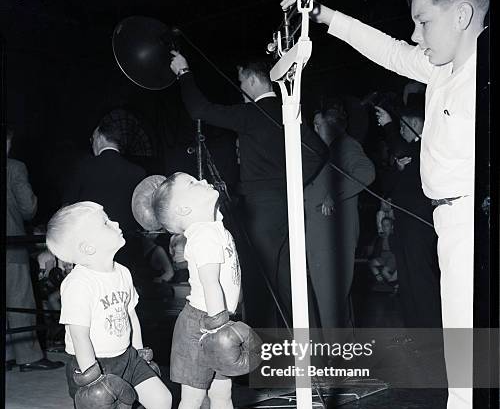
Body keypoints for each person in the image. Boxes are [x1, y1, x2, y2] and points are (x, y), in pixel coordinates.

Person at [283, 0, 488, 409]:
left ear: (463, 14)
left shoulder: (477, 77)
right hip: (450, 222)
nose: (417, 38)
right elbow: (395, 53)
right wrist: (326, 17)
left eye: (424, 23)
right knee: (465, 372)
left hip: (470, 222)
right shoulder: (449, 64)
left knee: (472, 373)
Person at [45, 201, 184, 409]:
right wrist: (92, 376)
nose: (117, 222)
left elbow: (130, 313)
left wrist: (140, 350)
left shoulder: (122, 273)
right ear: (88, 247)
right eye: (106, 222)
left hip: (127, 356)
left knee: (162, 401)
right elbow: (78, 333)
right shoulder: (79, 283)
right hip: (92, 365)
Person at [169, 53, 327, 329]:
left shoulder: (251, 114)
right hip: (289, 206)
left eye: (242, 80)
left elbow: (200, 110)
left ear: (253, 80)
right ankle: (313, 357)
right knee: (295, 283)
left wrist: (184, 72)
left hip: (260, 212)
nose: (240, 88)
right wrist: (290, 181)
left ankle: (261, 358)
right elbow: (319, 153)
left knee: (257, 286)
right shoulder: (289, 111)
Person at [132, 172, 264, 409]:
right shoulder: (202, 236)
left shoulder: (214, 226)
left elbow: (211, 208)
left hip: (221, 319)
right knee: (193, 398)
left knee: (222, 393)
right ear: (185, 213)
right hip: (202, 325)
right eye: (193, 184)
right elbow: (210, 284)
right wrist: (221, 327)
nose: (202, 181)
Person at [306, 102, 375, 329]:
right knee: (333, 301)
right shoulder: (327, 150)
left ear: (334, 124)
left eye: (319, 125)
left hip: (332, 237)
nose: (315, 131)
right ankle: (343, 352)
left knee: (330, 301)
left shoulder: (345, 145)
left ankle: (335, 356)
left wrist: (334, 194)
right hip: (323, 235)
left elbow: (366, 172)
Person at [375, 105, 442, 329]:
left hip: (419, 223)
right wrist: (398, 169)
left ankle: (431, 329)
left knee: (419, 275)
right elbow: (387, 186)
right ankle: (414, 330)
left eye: (404, 127)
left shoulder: (426, 145)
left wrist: (388, 125)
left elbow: (403, 150)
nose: (401, 132)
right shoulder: (405, 151)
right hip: (402, 223)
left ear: (415, 125)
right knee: (406, 277)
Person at [5, 128, 63, 371]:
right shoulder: (14, 167)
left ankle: (7, 355)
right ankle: (28, 356)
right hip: (11, 245)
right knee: (20, 299)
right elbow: (28, 208)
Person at [62, 120, 149, 275]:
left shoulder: (84, 166)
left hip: (90, 248)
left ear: (100, 137)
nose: (92, 144)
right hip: (127, 246)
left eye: (92, 139)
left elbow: (68, 208)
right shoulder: (138, 172)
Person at [368, 216, 398, 290]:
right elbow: (376, 249)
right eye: (383, 226)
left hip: (392, 256)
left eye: (387, 225)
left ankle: (395, 285)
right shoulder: (381, 237)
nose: (385, 228)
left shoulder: (394, 237)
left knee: (384, 271)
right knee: (372, 263)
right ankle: (380, 279)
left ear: (392, 227)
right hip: (383, 256)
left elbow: (397, 251)